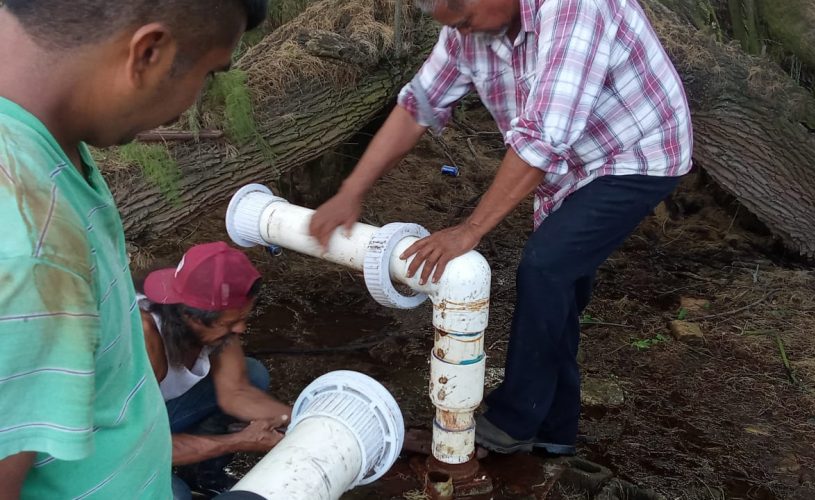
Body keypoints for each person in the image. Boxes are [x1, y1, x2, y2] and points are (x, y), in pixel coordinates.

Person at [309, 0, 692, 456]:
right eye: (453, 26)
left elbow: (544, 137)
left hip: (637, 152)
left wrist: (470, 228)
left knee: (545, 267)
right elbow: (418, 106)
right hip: (569, 166)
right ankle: (554, 431)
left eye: (465, 20)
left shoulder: (575, 8)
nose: (462, 34)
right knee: (558, 290)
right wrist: (352, 190)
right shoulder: (468, 28)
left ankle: (513, 422)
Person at [0, 1, 267, 498]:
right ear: (148, 53)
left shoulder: (55, 152)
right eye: (209, 74)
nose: (195, 100)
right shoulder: (27, 240)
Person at [139, 242, 292, 499]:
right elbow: (137, 447)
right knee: (175, 495)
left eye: (242, 318)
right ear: (191, 316)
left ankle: (202, 475)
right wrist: (237, 441)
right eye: (230, 323)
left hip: (154, 415)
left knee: (252, 374)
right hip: (110, 447)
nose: (240, 329)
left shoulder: (206, 315)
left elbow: (237, 392)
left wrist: (300, 419)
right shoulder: (142, 341)